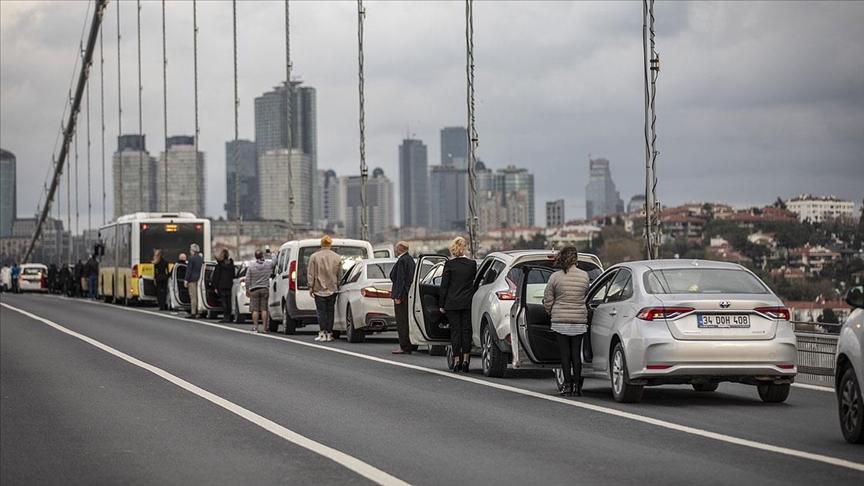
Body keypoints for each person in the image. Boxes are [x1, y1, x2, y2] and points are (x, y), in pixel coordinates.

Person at [543, 246, 590, 397]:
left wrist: (552, 312)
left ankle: (567, 385)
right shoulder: (584, 276)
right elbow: (586, 296)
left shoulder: (555, 277)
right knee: (576, 353)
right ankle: (577, 386)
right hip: (579, 320)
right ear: (576, 258)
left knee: (565, 354)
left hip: (560, 320)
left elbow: (548, 299)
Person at [439, 236, 476, 372]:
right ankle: (466, 361)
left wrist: (441, 304)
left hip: (452, 303)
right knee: (466, 331)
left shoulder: (449, 265)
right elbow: (473, 282)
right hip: (467, 302)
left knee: (455, 332)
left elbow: (444, 286)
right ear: (464, 248)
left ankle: (456, 361)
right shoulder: (472, 264)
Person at [307, 235, 344, 342]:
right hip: (332, 288)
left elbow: (311, 273)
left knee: (321, 312)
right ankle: (329, 333)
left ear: (321, 244)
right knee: (330, 311)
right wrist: (338, 284)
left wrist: (310, 286)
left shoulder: (314, 256)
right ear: (330, 244)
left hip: (318, 288)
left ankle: (322, 332)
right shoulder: (337, 257)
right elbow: (340, 274)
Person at [389, 241, 416, 355]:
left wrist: (398, 296)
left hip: (402, 295)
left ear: (400, 249)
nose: (395, 250)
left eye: (396, 248)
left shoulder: (402, 260)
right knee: (408, 320)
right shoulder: (410, 260)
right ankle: (410, 344)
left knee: (402, 321)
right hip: (409, 294)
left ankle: (404, 346)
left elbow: (400, 279)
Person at [245, 246, 276, 333]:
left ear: (255, 256)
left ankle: (255, 327)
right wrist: (272, 253)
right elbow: (274, 262)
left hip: (254, 289)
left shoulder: (251, 267)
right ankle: (265, 327)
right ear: (262, 255)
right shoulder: (267, 265)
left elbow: (247, 279)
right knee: (264, 309)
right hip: (265, 288)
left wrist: (247, 289)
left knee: (255, 309)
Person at [211, 249, 235, 323]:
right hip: (229, 284)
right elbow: (233, 275)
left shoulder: (219, 265)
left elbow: (216, 276)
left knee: (224, 301)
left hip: (221, 285)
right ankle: (229, 316)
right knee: (229, 301)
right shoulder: (231, 265)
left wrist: (214, 286)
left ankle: (225, 316)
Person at [184, 244, 204, 318]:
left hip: (192, 279)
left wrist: (186, 280)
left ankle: (193, 312)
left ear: (192, 250)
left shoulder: (191, 258)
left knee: (193, 296)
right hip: (200, 278)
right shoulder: (201, 258)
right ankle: (200, 311)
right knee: (199, 296)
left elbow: (189, 270)